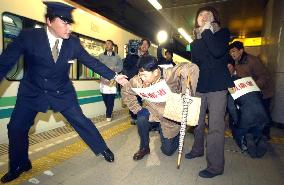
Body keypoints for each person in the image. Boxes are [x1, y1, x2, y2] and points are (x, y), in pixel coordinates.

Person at [0, 2, 128, 183]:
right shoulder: (29, 37)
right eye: (65, 23)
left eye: (70, 23)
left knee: (80, 120)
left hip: (62, 91)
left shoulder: (73, 43)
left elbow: (91, 61)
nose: (70, 27)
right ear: (49, 21)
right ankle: (19, 165)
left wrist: (115, 76)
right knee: (16, 128)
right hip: (32, 92)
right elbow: (5, 62)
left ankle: (102, 148)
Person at [185, 6, 233, 178]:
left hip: (218, 85)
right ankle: (197, 150)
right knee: (196, 121)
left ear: (214, 18)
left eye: (207, 14)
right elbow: (198, 61)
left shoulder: (223, 33)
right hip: (201, 85)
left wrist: (206, 31)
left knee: (215, 126)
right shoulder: (195, 39)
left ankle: (215, 167)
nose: (203, 17)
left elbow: (217, 51)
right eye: (200, 15)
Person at [121, 56, 199, 160]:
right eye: (140, 75)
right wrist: (137, 109)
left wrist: (185, 93)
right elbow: (125, 91)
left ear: (156, 72)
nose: (142, 79)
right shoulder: (137, 80)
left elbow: (192, 68)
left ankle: (177, 133)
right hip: (151, 112)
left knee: (167, 151)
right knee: (141, 119)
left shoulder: (169, 75)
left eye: (145, 76)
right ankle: (144, 147)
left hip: (169, 117)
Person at [229, 41, 273, 139]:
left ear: (241, 50)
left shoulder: (252, 60)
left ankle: (265, 136)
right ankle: (253, 135)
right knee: (251, 114)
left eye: (234, 51)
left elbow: (263, 76)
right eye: (230, 52)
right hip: (249, 94)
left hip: (263, 93)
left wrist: (254, 88)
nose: (232, 54)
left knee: (263, 114)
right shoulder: (236, 62)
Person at [227, 62, 269, 158]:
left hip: (248, 117)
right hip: (263, 114)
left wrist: (237, 121)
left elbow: (231, 106)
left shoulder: (231, 86)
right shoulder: (248, 81)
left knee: (237, 127)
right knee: (255, 129)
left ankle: (245, 142)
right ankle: (259, 138)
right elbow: (260, 96)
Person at [122, 38, 151, 124]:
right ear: (139, 45)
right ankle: (134, 116)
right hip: (133, 81)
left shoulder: (149, 58)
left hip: (144, 83)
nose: (144, 46)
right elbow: (126, 67)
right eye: (143, 44)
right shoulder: (131, 55)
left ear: (148, 47)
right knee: (134, 99)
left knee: (143, 101)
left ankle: (143, 117)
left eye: (146, 44)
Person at [98, 40, 123, 121]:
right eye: (106, 44)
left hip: (113, 80)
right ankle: (109, 110)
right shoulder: (101, 56)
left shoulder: (117, 56)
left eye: (109, 44)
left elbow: (120, 67)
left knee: (111, 98)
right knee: (105, 97)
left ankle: (108, 114)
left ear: (112, 46)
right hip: (103, 80)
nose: (107, 45)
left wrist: (114, 68)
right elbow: (97, 66)